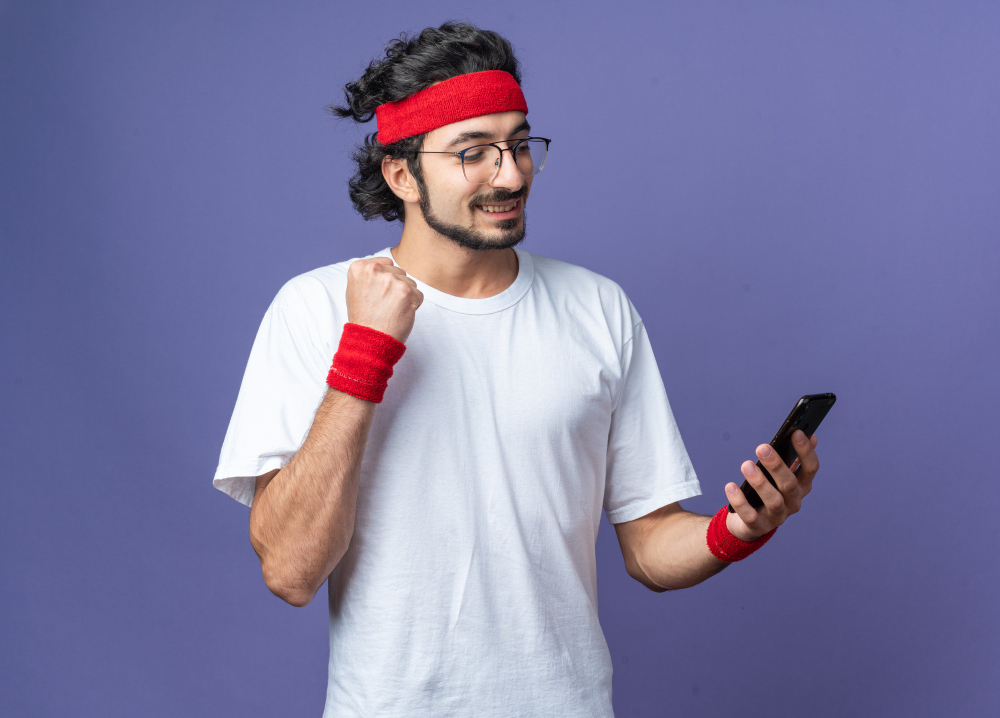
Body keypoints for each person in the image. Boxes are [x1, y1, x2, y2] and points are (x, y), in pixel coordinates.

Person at [212, 20, 821, 718]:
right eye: (474, 153)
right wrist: (363, 356)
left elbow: (650, 547)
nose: (511, 174)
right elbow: (290, 570)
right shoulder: (314, 309)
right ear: (401, 173)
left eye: (520, 143)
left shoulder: (598, 309)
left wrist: (735, 530)